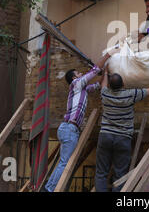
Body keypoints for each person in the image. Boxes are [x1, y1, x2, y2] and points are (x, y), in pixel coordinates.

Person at [44, 47, 120, 192]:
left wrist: (106, 73)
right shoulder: (76, 84)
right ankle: (49, 189)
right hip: (69, 129)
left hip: (69, 129)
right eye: (78, 73)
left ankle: (50, 187)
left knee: (63, 162)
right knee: (64, 163)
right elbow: (94, 71)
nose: (81, 75)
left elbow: (98, 85)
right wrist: (108, 55)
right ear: (74, 78)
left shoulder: (82, 90)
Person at [95, 65, 149, 192]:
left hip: (105, 136)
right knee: (120, 174)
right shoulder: (131, 94)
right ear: (123, 84)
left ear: (110, 85)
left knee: (101, 173)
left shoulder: (105, 94)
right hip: (123, 138)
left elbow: (103, 84)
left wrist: (105, 72)